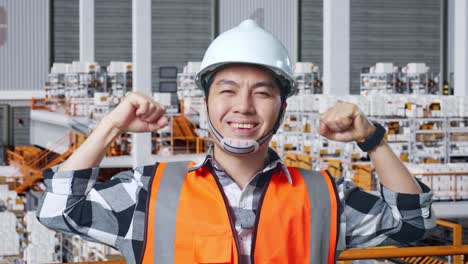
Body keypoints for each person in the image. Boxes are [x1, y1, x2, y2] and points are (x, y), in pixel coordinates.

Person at [37, 20, 435, 264]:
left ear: (281, 107)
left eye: (262, 92)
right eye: (227, 91)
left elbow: (410, 222)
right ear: (205, 102)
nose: (243, 106)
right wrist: (111, 125)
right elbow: (58, 209)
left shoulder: (324, 196)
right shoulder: (148, 192)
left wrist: (374, 140)